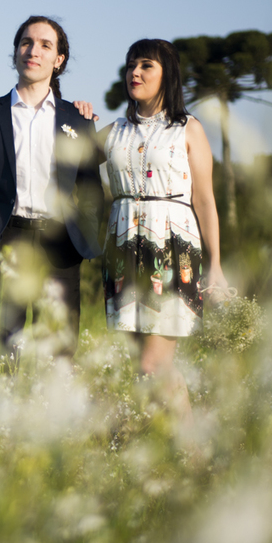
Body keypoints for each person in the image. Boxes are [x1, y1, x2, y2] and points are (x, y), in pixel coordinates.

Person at [94, 38, 228, 418]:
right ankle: (168, 454)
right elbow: (68, 157)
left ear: (167, 74)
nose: (134, 73)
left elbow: (204, 200)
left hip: (171, 250)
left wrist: (215, 264)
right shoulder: (115, 131)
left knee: (154, 365)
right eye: (130, 65)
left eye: (146, 65)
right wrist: (77, 115)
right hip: (122, 250)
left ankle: (194, 456)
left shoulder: (188, 129)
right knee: (145, 369)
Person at [0, 15, 104, 347]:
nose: (33, 50)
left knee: (60, 350)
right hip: (3, 242)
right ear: (15, 52)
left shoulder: (78, 120)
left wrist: (86, 235)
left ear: (58, 59)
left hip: (61, 245)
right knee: (4, 349)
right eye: (26, 42)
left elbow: (91, 188)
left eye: (45, 45)